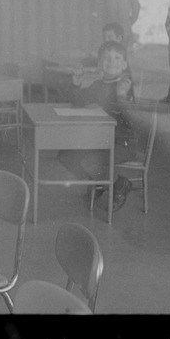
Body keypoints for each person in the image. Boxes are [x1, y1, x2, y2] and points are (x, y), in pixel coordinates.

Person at [59, 40, 137, 212]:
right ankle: (100, 183)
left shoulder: (126, 85)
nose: (112, 61)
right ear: (100, 63)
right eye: (107, 58)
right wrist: (76, 83)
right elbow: (78, 101)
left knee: (90, 161)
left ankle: (119, 184)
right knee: (66, 156)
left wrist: (121, 96)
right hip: (101, 140)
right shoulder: (99, 85)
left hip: (123, 142)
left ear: (124, 64)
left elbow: (130, 120)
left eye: (117, 58)